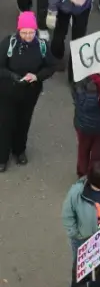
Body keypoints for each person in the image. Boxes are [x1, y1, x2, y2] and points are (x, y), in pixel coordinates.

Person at [0, 10, 57, 169]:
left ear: (35, 31)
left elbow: (51, 66)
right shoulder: (8, 43)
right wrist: (11, 76)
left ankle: (19, 151)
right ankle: (2, 157)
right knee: (5, 123)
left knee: (23, 123)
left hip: (30, 93)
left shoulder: (42, 46)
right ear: (18, 31)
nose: (27, 36)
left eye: (31, 32)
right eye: (24, 32)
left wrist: (37, 76)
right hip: (7, 92)